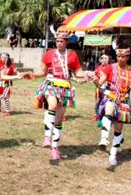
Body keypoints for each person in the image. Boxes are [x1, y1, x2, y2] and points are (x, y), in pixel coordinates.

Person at [28, 32, 87, 160]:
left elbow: (78, 72)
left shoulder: (72, 55)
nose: (59, 43)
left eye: (62, 41)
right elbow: (42, 71)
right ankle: (47, 137)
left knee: (59, 120)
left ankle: (55, 148)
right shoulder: (49, 54)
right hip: (51, 83)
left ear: (66, 42)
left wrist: (86, 76)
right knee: (52, 105)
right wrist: (32, 74)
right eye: (57, 41)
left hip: (65, 86)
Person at [94, 43, 131, 166]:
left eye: (123, 57)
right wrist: (96, 82)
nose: (120, 59)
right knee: (109, 110)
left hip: (124, 100)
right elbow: (101, 83)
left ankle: (113, 154)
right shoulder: (110, 68)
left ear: (127, 57)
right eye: (118, 56)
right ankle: (104, 138)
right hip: (112, 96)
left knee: (118, 128)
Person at [93, 54, 110, 121]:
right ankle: (96, 114)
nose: (102, 60)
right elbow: (95, 74)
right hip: (98, 87)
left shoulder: (109, 68)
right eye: (102, 58)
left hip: (107, 88)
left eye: (104, 58)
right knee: (97, 101)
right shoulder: (98, 67)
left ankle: (105, 114)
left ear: (107, 60)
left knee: (105, 101)